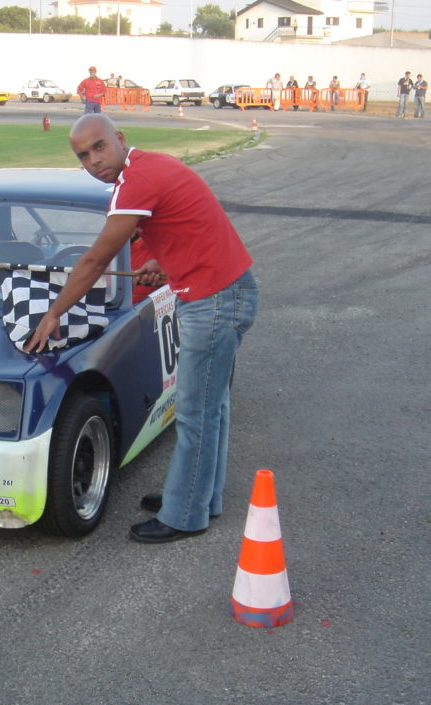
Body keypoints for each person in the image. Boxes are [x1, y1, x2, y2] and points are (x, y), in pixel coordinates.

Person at [23, 114, 258, 544]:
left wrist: (54, 312)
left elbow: (95, 260)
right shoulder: (146, 168)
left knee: (196, 413)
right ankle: (199, 496)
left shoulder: (135, 182)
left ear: (120, 139)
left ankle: (185, 515)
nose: (94, 160)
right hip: (223, 291)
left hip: (216, 301)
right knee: (212, 408)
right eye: (83, 156)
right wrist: (162, 263)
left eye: (99, 147)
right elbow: (186, 228)